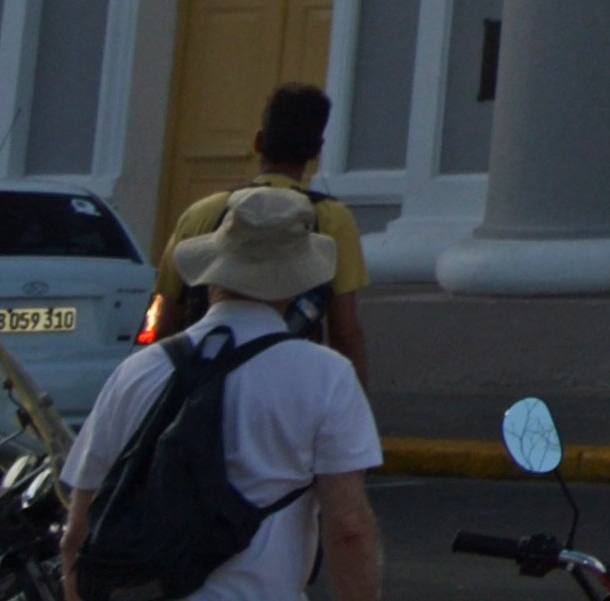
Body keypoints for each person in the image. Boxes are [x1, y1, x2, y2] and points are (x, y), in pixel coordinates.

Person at [71, 192, 384, 601]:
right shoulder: (325, 375)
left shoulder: (136, 371)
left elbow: (78, 533)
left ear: (213, 272)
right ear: (297, 283)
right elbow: (348, 529)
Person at [147, 82, 373, 370]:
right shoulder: (332, 219)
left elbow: (166, 320)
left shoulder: (201, 214)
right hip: (288, 374)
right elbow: (344, 330)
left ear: (258, 142)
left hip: (206, 373)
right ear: (316, 152)